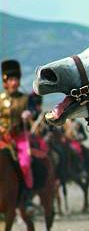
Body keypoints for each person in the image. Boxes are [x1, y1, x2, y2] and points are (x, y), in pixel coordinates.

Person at [0, 60, 43, 209]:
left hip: (19, 138)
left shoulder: (26, 98)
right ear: (5, 82)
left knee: (25, 163)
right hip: (2, 138)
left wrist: (29, 113)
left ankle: (26, 196)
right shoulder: (0, 99)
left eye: (16, 79)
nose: (14, 82)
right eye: (11, 79)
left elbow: (35, 112)